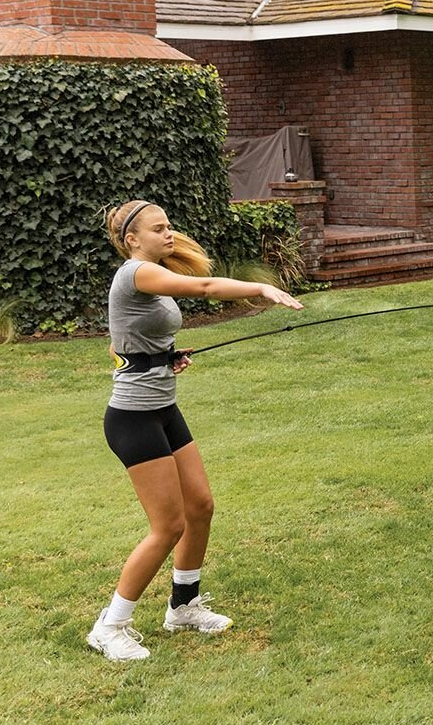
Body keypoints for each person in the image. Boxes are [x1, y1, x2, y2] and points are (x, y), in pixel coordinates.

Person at [87, 199, 303, 662]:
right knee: (168, 525)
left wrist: (162, 357)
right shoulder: (135, 273)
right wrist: (261, 288)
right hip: (133, 417)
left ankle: (183, 606)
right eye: (158, 228)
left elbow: (119, 342)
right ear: (132, 240)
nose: (168, 233)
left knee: (201, 506)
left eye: (169, 225)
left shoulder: (151, 275)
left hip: (163, 409)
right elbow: (204, 287)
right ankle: (110, 626)